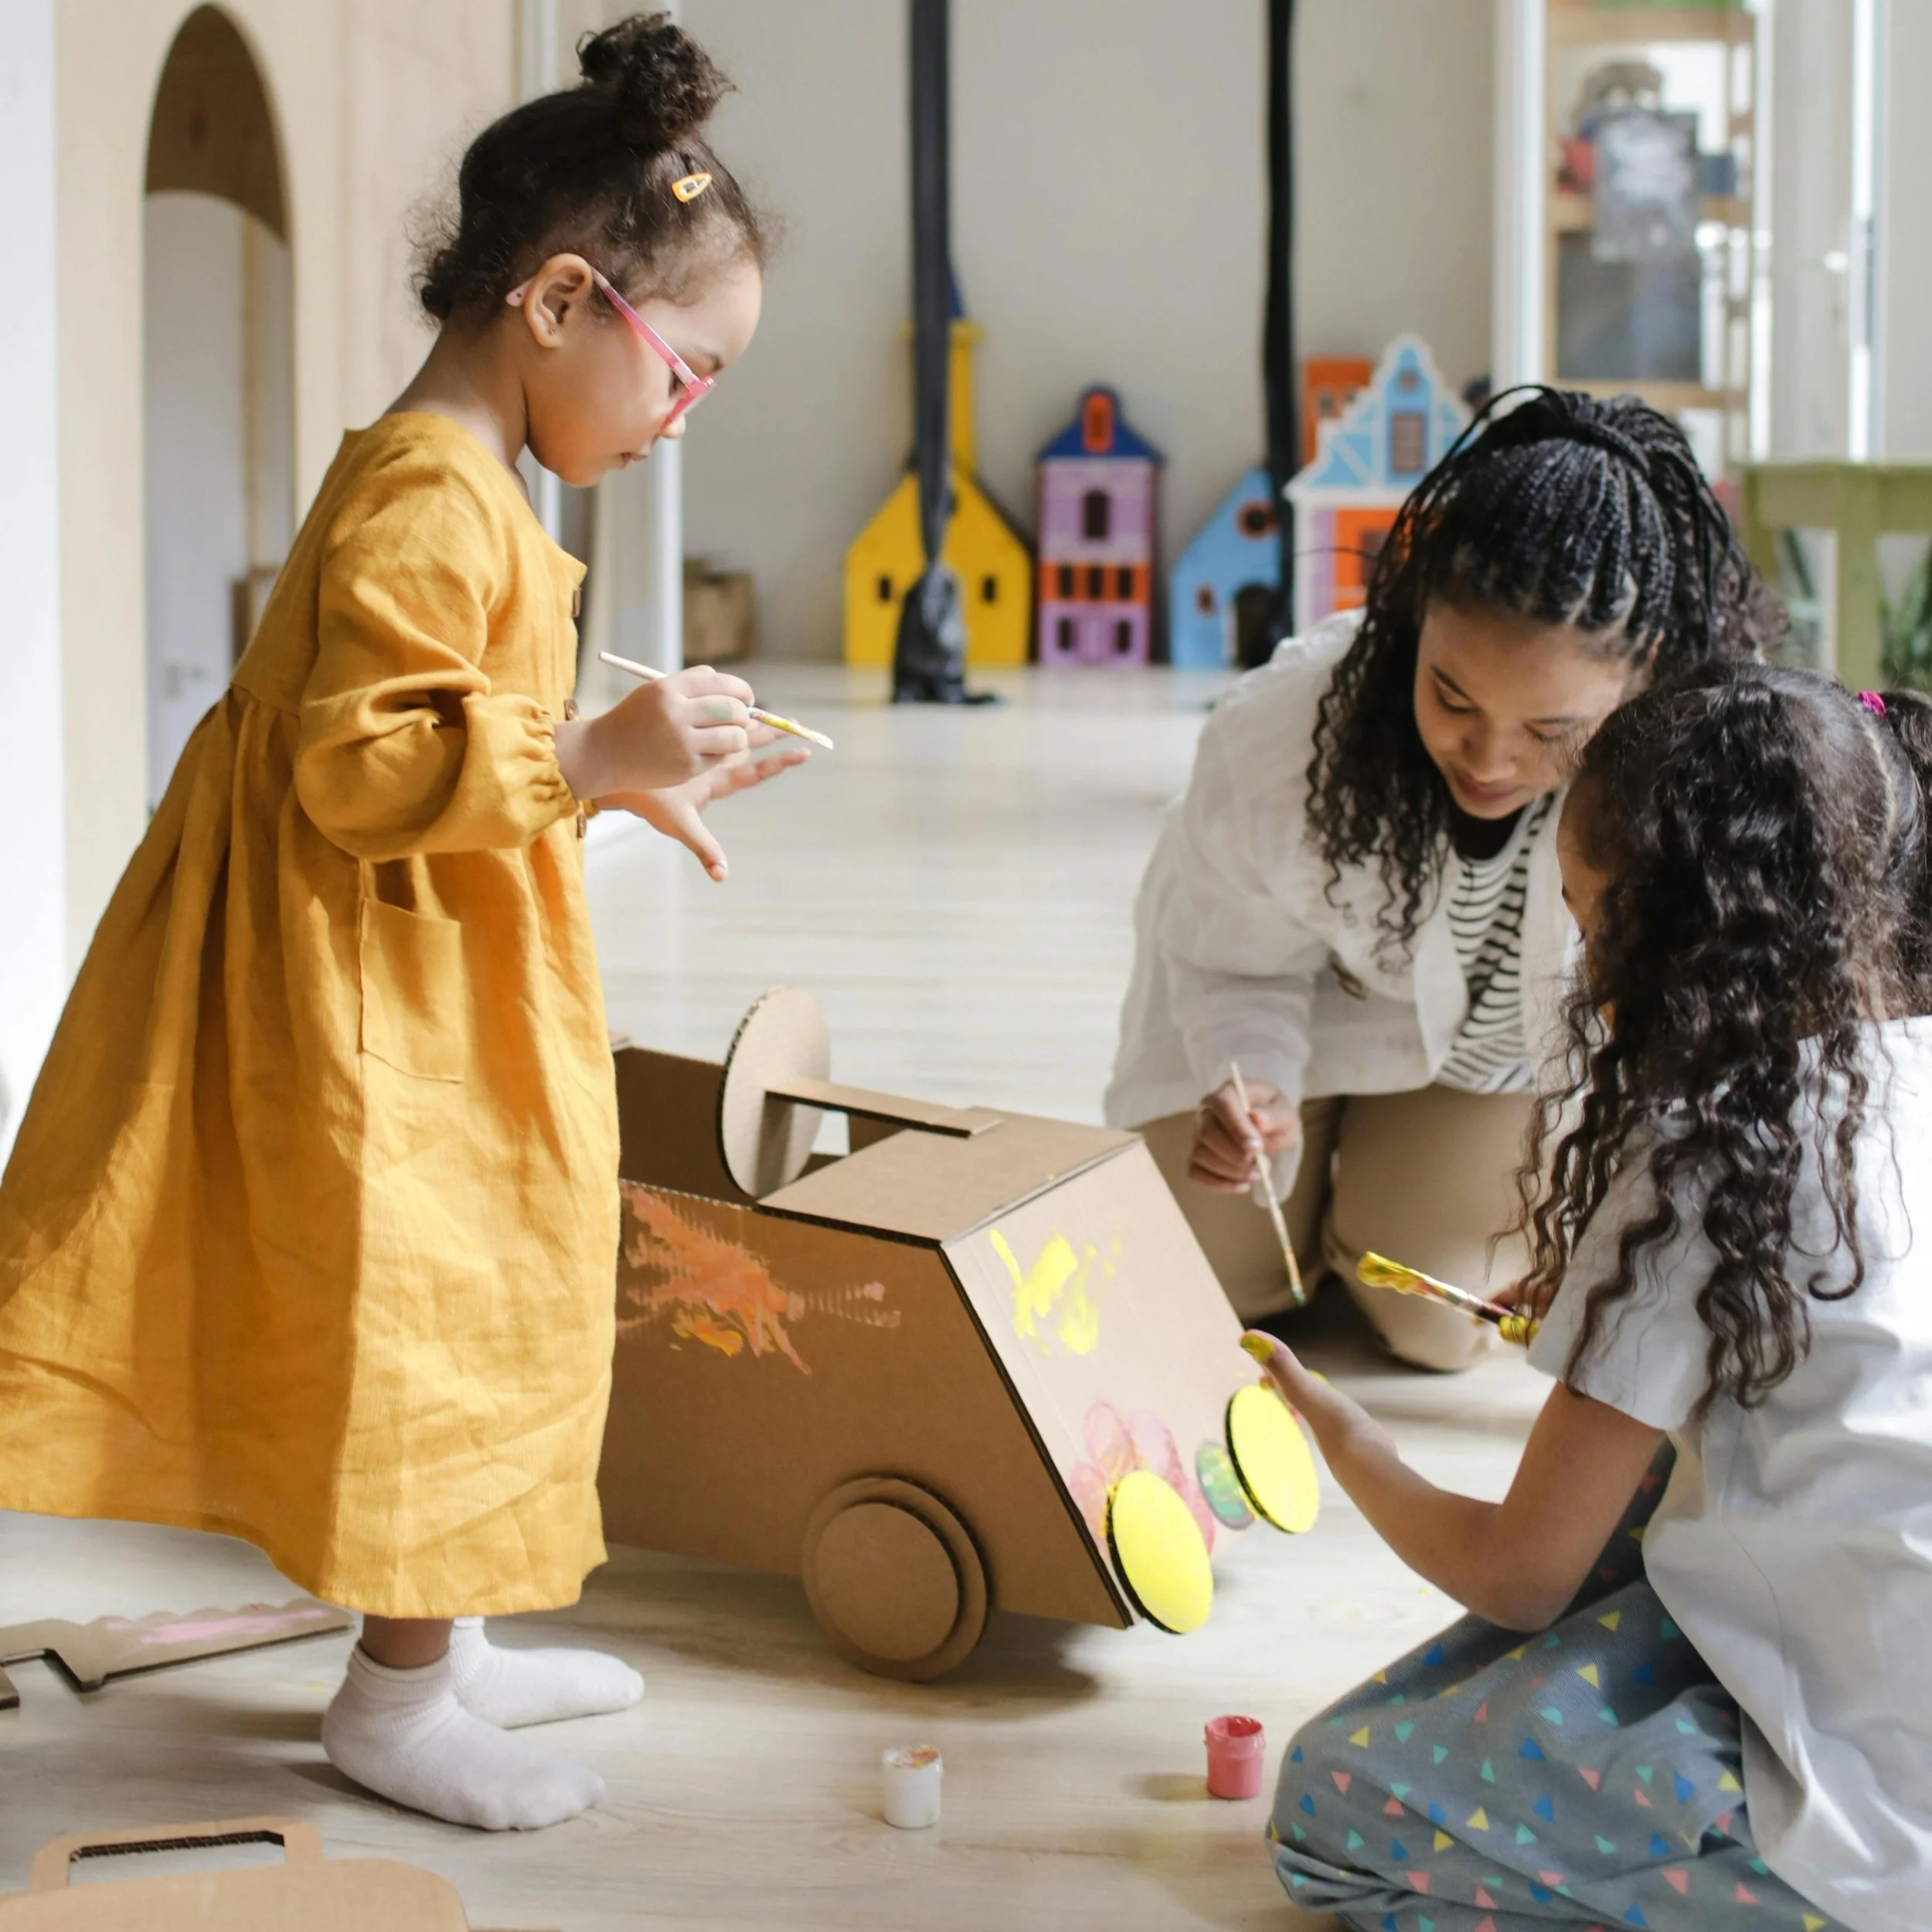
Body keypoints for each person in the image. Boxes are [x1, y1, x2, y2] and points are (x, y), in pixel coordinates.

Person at [0, 14, 794, 1832]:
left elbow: (454, 753)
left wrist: (611, 774)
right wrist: (588, 747)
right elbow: (365, 770)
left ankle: (444, 1640)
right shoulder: (429, 498)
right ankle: (400, 1695)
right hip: (364, 1009)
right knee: (436, 1313)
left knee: (496, 1291)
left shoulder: (471, 484)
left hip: (420, 971)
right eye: (689, 370)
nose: (688, 417)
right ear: (563, 302)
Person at [1253, 665, 1932, 1932]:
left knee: (1334, 1803)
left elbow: (1520, 1578)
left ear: (1669, 932)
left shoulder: (1707, 1149)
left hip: (1869, 1811)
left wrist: (1353, 1445)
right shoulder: (1911, 1061)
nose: (1579, 959)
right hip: (1891, 1674)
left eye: (1584, 912)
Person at [1106, 389, 1780, 1368]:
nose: (1488, 758)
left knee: (1434, 1320)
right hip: (1306, 1007)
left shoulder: (1694, 777)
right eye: (1449, 694)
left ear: (1646, 691)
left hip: (1503, 1059)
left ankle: (1375, 1205)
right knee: (1203, 1284)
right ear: (1409, 620)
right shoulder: (1288, 733)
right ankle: (1318, 1196)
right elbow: (1232, 960)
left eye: (1552, 732)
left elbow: (1692, 1032)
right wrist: (1249, 1082)